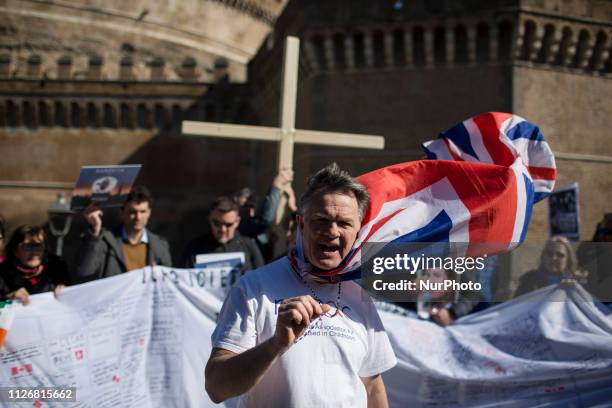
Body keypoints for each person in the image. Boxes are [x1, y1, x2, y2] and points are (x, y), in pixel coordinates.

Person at [205, 163, 397, 407]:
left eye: (344, 223)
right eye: (321, 220)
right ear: (301, 224)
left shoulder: (358, 295)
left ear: (358, 231)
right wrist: (275, 345)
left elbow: (372, 386)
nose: (332, 231)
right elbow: (216, 387)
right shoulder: (253, 288)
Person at [73, 185, 172, 283]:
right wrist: (95, 230)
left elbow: (169, 282)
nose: (138, 217)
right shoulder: (106, 240)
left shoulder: (160, 245)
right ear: (122, 212)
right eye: (133, 212)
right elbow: (84, 271)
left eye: (143, 212)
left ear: (149, 213)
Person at [180, 196, 264, 271]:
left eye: (228, 225)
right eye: (217, 223)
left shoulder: (249, 246)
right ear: (210, 219)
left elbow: (261, 280)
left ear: (237, 222)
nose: (222, 229)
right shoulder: (194, 247)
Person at [0, 225, 69, 304]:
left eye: (38, 246)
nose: (34, 253)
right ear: (15, 250)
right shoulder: (3, 274)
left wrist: (66, 288)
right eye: (27, 246)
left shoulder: (57, 270)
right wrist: (8, 297)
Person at [514, 235, 583, 298]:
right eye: (549, 254)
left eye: (560, 255)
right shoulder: (529, 280)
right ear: (543, 257)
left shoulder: (578, 282)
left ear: (568, 259)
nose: (554, 258)